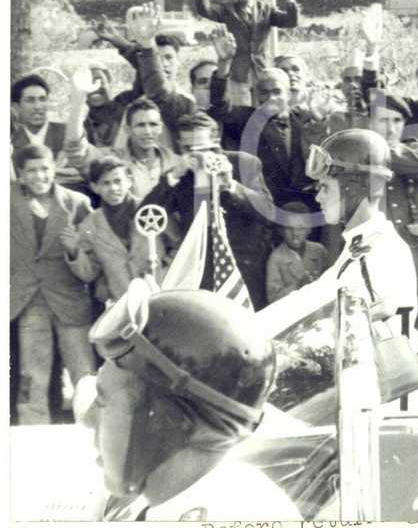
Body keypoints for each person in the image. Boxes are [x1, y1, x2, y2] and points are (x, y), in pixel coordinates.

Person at [80, 288, 301, 520]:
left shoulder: (240, 514)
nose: (87, 418)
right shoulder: (181, 500)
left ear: (165, 423)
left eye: (103, 400)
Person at [292, 129, 418, 350]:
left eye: (325, 187)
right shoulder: (363, 243)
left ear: (354, 188)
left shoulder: (377, 254)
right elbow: (314, 295)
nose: (318, 197)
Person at [139, 111, 275, 309]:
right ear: (178, 145)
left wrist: (231, 185)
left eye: (202, 148)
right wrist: (172, 178)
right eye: (187, 149)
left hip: (245, 269)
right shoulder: (180, 176)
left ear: (216, 141)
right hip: (202, 273)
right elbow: (145, 215)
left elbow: (269, 215)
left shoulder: (243, 163)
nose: (196, 155)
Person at [11, 144, 95, 425]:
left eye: (45, 169)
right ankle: (31, 432)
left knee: (84, 375)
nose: (39, 176)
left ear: (54, 170)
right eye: (31, 171)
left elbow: (91, 266)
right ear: (20, 174)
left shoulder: (77, 203)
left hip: (70, 301)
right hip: (30, 302)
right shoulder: (8, 200)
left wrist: (73, 250)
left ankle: (93, 429)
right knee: (31, 375)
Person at [369, 92, 418, 331]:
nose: (391, 128)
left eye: (397, 120)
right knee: (387, 322)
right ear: (371, 122)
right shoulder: (362, 153)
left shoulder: (416, 148)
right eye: (383, 120)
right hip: (380, 251)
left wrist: (372, 150)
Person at [65, 68, 185, 202]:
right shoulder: (113, 160)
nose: (147, 131)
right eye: (140, 125)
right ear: (128, 129)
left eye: (153, 124)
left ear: (160, 128)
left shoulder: (177, 163)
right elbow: (77, 152)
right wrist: (78, 101)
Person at [209, 58, 312, 209]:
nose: (271, 98)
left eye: (277, 91)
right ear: (257, 95)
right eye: (264, 92)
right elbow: (220, 107)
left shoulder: (303, 121)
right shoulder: (246, 119)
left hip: (305, 207)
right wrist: (223, 64)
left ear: (288, 94)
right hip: (265, 208)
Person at [194, 0, 299, 106]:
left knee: (264, 109)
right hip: (238, 74)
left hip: (262, 70)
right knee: (241, 111)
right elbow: (205, 10)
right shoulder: (227, 9)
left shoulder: (266, 9)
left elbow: (290, 21)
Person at [64, 156, 148, 307]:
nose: (113, 188)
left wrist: (165, 269)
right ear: (94, 187)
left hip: (161, 292)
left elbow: (178, 245)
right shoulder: (90, 225)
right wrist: (73, 250)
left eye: (118, 181)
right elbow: (90, 273)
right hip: (123, 302)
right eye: (105, 183)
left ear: (129, 181)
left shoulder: (150, 210)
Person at [265, 201, 329, 304]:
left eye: (301, 228)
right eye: (289, 229)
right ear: (281, 230)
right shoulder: (276, 259)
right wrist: (298, 287)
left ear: (309, 229)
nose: (295, 234)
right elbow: (273, 298)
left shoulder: (319, 250)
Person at [11, 74, 67, 165]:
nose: (37, 106)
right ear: (16, 107)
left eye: (42, 99)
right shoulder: (11, 139)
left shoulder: (66, 133)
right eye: (30, 100)